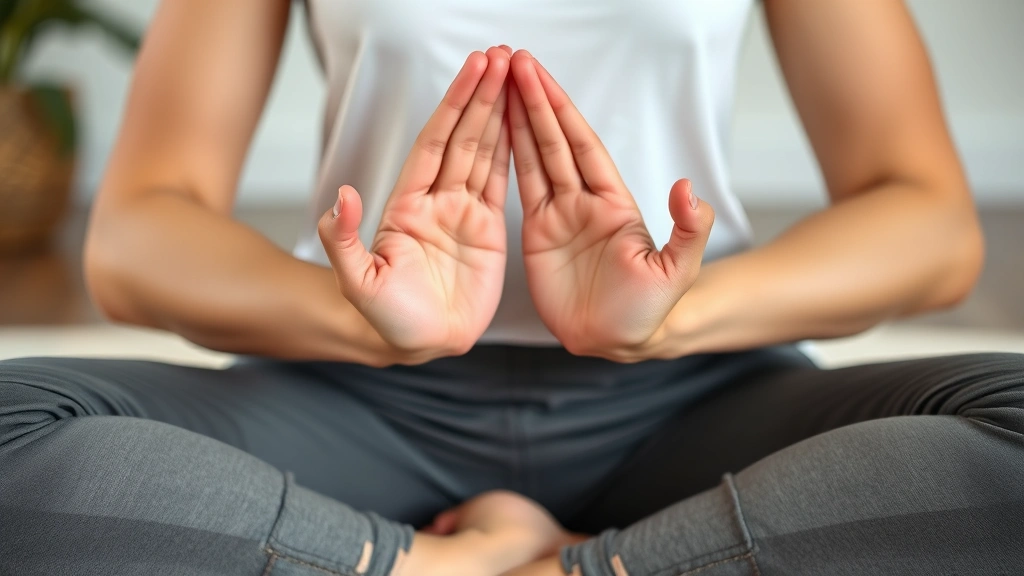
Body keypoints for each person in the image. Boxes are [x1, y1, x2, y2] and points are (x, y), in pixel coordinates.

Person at [1, 0, 1021, 574]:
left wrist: (671, 319)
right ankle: (524, 565)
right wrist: (367, 322)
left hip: (697, 397)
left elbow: (926, 217)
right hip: (355, 397)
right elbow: (137, 231)